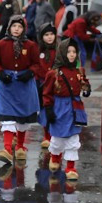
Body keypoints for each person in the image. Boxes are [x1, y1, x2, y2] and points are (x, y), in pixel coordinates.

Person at [0, 16, 40, 165]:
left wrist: (30, 73)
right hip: (7, 84)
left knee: (23, 117)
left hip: (24, 84)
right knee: (8, 117)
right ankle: (7, 148)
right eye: (14, 26)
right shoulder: (0, 44)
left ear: (23, 28)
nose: (16, 29)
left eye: (19, 26)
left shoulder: (30, 45)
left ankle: (19, 146)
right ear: (9, 28)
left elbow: (37, 63)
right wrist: (0, 73)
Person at [41, 37, 91, 181]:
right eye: (68, 51)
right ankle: (55, 158)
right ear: (62, 53)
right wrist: (49, 109)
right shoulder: (54, 74)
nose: (71, 54)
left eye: (74, 52)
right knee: (57, 137)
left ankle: (70, 166)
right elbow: (47, 93)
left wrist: (86, 88)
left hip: (75, 108)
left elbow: (84, 85)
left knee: (73, 138)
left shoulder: (79, 71)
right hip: (59, 108)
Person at [34, 25, 58, 150]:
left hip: (55, 85)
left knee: (55, 109)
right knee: (44, 111)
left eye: (51, 34)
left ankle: (54, 135)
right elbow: (36, 66)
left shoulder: (59, 51)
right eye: (46, 35)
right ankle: (46, 136)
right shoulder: (39, 51)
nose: (49, 37)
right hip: (42, 85)